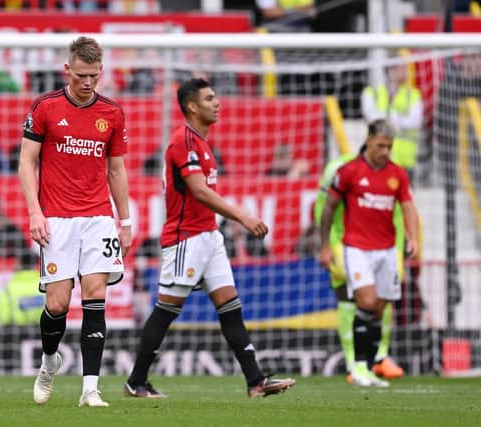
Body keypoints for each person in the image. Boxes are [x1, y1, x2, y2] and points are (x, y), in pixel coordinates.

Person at [124, 78, 295, 399]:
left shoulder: (202, 144)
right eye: (209, 98)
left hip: (208, 237)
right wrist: (243, 216)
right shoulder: (183, 142)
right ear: (192, 106)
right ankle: (136, 382)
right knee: (166, 310)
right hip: (185, 239)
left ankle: (256, 382)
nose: (217, 103)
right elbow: (199, 191)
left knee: (231, 308)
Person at [18, 36, 131, 408]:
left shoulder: (112, 113)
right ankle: (50, 360)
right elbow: (26, 162)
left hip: (98, 216)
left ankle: (90, 389)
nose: (88, 82)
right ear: (68, 70)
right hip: (57, 218)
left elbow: (116, 169)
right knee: (59, 303)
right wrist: (35, 211)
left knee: (96, 293)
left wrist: (125, 220)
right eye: (81, 75)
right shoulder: (46, 108)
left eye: (94, 76)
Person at [319, 119, 419, 387]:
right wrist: (326, 245)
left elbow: (408, 206)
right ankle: (358, 365)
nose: (385, 151)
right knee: (366, 301)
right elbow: (328, 208)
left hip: (387, 249)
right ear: (369, 140)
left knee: (380, 307)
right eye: (380, 145)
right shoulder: (349, 171)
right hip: (356, 248)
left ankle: (372, 365)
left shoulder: (397, 174)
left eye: (389, 146)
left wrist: (413, 237)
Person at [361, 57, 423, 182]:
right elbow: (372, 118)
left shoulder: (413, 95)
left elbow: (414, 121)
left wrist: (388, 117)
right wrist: (396, 118)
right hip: (376, 158)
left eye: (406, 68)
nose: (405, 72)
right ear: (391, 70)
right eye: (401, 68)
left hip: (404, 160)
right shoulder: (372, 92)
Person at [0, 252, 44, 326]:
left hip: (17, 334)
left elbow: (4, 319)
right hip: (43, 334)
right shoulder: (45, 287)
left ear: (19, 263)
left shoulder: (8, 289)